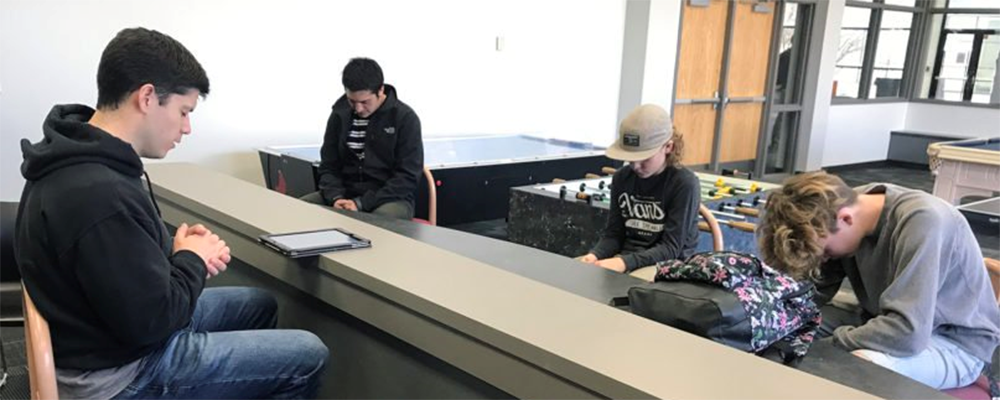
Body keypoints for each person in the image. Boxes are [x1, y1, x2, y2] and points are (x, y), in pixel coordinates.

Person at [14, 27, 328, 399]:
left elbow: (120, 268)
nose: (187, 127)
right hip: (118, 374)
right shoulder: (99, 194)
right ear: (147, 97)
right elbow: (153, 322)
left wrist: (172, 251)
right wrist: (191, 261)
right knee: (308, 355)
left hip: (103, 336)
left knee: (258, 304)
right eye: (183, 111)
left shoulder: (80, 157)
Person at [756, 171, 1000, 390]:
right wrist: (773, 316)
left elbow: (907, 334)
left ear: (846, 219)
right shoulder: (843, 207)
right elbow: (813, 293)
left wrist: (826, 347)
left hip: (954, 343)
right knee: (777, 330)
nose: (825, 259)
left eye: (826, 253)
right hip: (883, 319)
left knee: (859, 364)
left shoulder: (924, 220)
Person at [580, 104, 701, 280]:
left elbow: (671, 248)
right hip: (626, 257)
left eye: (644, 158)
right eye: (630, 158)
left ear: (668, 147)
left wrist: (624, 262)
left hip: (669, 266)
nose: (635, 166)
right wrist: (595, 255)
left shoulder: (685, 183)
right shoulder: (622, 178)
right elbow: (614, 235)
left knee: (630, 288)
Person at [301, 58, 423, 220]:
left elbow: (407, 177)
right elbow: (329, 166)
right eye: (352, 101)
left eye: (365, 102)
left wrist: (362, 203)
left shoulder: (405, 118)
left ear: (380, 90)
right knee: (296, 210)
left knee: (375, 222)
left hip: (389, 199)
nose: (358, 108)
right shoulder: (339, 114)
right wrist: (336, 198)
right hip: (344, 194)